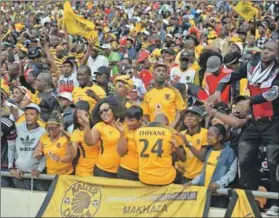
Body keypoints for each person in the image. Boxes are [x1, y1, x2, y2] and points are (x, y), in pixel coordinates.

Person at [208, 40, 279, 216]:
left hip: (273, 122)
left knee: (273, 163)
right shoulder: (251, 66)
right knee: (245, 159)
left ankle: (275, 203)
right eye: (264, 49)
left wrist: (249, 101)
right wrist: (218, 90)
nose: (266, 53)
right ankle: (250, 198)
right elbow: (229, 77)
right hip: (254, 122)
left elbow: (274, 92)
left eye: (270, 50)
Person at [184, 124, 237, 208]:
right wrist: (193, 182)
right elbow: (204, 173)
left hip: (219, 195)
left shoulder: (230, 152)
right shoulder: (209, 151)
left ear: (220, 137)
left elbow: (231, 174)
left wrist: (218, 184)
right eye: (208, 134)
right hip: (205, 193)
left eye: (211, 135)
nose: (208, 137)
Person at [79, 96, 126, 178]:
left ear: (114, 109)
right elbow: (89, 142)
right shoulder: (100, 126)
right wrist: (86, 125)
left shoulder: (126, 124)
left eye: (106, 110)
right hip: (104, 171)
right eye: (100, 112)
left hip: (124, 170)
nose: (103, 113)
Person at [134, 114, 185, 185]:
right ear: (166, 122)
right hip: (166, 177)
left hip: (144, 177)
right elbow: (182, 157)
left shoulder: (138, 131)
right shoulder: (170, 131)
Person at [9, 103, 46, 190]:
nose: (28, 116)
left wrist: (39, 169)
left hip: (35, 175)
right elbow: (12, 148)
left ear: (38, 116)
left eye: (32, 114)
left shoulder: (43, 132)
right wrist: (12, 168)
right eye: (26, 114)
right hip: (17, 174)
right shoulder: (17, 128)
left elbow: (45, 154)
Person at [141, 62, 185, 128]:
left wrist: (173, 125)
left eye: (163, 71)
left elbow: (180, 110)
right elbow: (145, 114)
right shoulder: (148, 94)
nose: (161, 73)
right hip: (154, 131)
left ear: (166, 75)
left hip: (170, 130)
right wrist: (149, 125)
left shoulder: (174, 91)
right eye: (158, 70)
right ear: (153, 74)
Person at [33, 112, 74, 177]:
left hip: (65, 174)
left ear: (59, 127)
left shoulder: (67, 137)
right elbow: (38, 150)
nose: (50, 130)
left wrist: (60, 159)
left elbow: (71, 157)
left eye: (52, 128)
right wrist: (37, 153)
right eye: (48, 128)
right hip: (50, 174)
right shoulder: (44, 137)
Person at [176, 106, 208, 183]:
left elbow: (202, 157)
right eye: (186, 116)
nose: (189, 118)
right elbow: (183, 158)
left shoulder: (205, 133)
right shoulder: (182, 134)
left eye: (192, 116)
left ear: (200, 119)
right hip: (186, 175)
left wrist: (188, 144)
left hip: (201, 176)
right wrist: (176, 148)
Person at [71, 101, 99, 176]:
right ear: (76, 120)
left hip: (100, 168)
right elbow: (73, 154)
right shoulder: (76, 133)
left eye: (86, 115)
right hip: (85, 170)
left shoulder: (97, 128)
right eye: (80, 118)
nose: (83, 119)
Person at [116, 106, 143, 181]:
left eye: (132, 120)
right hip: (126, 171)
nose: (129, 123)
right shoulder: (125, 129)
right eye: (127, 120)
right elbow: (121, 153)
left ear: (140, 119)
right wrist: (122, 133)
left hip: (144, 172)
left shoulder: (147, 130)